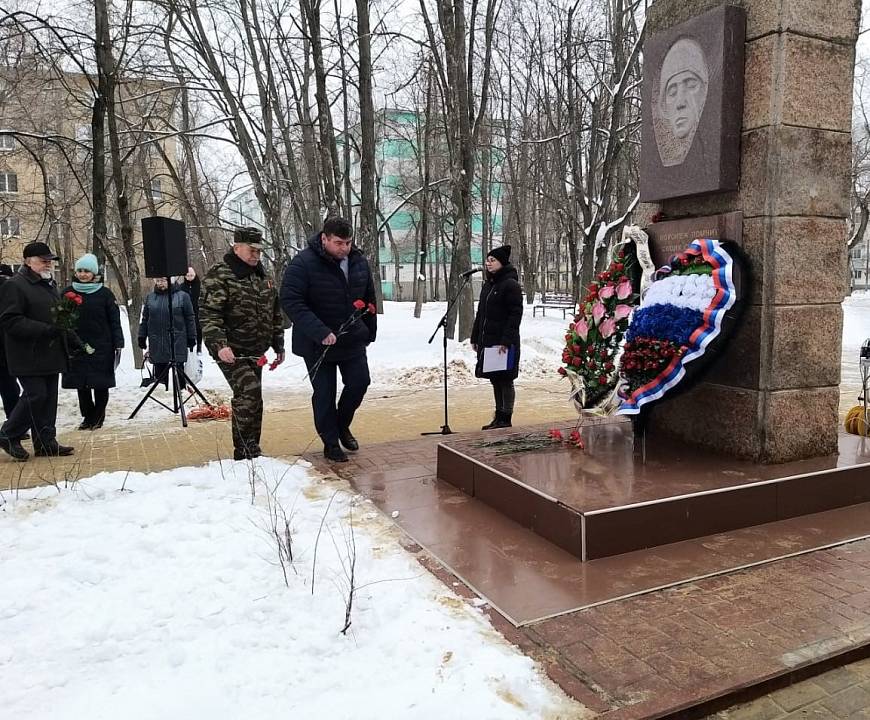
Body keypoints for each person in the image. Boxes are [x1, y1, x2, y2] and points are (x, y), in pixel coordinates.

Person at [281, 216, 376, 463]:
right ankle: (330, 442)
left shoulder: (358, 261)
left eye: (348, 242)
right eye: (338, 243)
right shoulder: (302, 264)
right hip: (316, 343)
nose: (344, 248)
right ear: (324, 238)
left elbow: (369, 297)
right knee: (324, 393)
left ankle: (342, 425)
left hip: (351, 338)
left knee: (359, 383)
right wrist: (320, 331)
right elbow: (291, 301)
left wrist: (369, 331)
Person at [199, 227, 285, 461]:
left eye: (259, 251)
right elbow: (209, 314)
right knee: (248, 391)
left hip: (255, 350)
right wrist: (220, 345)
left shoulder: (261, 276)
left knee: (255, 398)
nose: (256, 255)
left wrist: (278, 345)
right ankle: (244, 450)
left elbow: (274, 312)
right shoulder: (220, 275)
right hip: (230, 350)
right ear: (236, 247)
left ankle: (252, 448)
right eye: (251, 250)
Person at [0, 242, 74, 460]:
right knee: (36, 395)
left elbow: (58, 318)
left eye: (49, 260)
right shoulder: (15, 285)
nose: (47, 264)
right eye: (43, 260)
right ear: (27, 261)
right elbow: (10, 321)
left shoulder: (48, 285)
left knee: (49, 397)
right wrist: (45, 330)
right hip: (26, 354)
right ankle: (8, 433)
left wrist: (71, 338)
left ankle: (45, 442)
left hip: (50, 353)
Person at [61, 253, 124, 430]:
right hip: (77, 346)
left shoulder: (105, 294)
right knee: (81, 385)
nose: (82, 274)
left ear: (94, 273)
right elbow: (61, 319)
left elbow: (114, 320)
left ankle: (98, 417)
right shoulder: (68, 293)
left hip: (102, 346)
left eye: (87, 271)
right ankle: (87, 416)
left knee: (101, 384)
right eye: (80, 270)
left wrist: (118, 342)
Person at [471, 244, 523, 430]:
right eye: (487, 260)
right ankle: (498, 416)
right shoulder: (489, 285)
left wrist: (506, 341)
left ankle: (506, 417)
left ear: (502, 263)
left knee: (505, 379)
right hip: (489, 341)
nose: (488, 263)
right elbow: (481, 313)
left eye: (492, 260)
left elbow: (515, 315)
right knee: (495, 378)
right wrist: (475, 337)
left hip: (503, 342)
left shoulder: (510, 284)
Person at [137, 276, 196, 391]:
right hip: (157, 341)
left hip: (177, 340)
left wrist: (191, 336)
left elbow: (190, 318)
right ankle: (162, 398)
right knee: (159, 375)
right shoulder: (151, 298)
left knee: (179, 372)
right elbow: (145, 319)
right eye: (157, 280)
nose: (160, 283)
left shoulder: (182, 296)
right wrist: (142, 335)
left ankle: (181, 394)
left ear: (171, 280)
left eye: (163, 280)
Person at [0, 263, 21, 420]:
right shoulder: (14, 292)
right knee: (10, 388)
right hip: (8, 350)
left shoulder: (13, 294)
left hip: (8, 349)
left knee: (10, 388)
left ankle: (14, 423)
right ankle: (14, 423)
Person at [175, 266, 202, 354]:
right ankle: (189, 345)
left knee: (198, 328)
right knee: (188, 327)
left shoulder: (200, 286)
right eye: (188, 275)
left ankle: (199, 346)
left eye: (191, 275)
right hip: (186, 310)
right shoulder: (182, 286)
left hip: (198, 309)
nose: (189, 277)